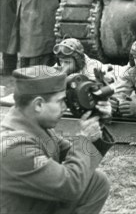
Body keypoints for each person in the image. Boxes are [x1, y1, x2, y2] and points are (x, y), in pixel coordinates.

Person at [0, 66, 113, 214]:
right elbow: (70, 186)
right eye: (60, 101)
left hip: (36, 206)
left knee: (95, 181)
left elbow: (80, 161)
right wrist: (84, 138)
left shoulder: (36, 126)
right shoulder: (14, 147)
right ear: (38, 104)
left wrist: (96, 119)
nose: (65, 107)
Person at [53, 38, 126, 83]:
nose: (63, 65)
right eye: (61, 61)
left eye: (67, 62)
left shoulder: (92, 67)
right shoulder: (61, 65)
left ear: (78, 61)